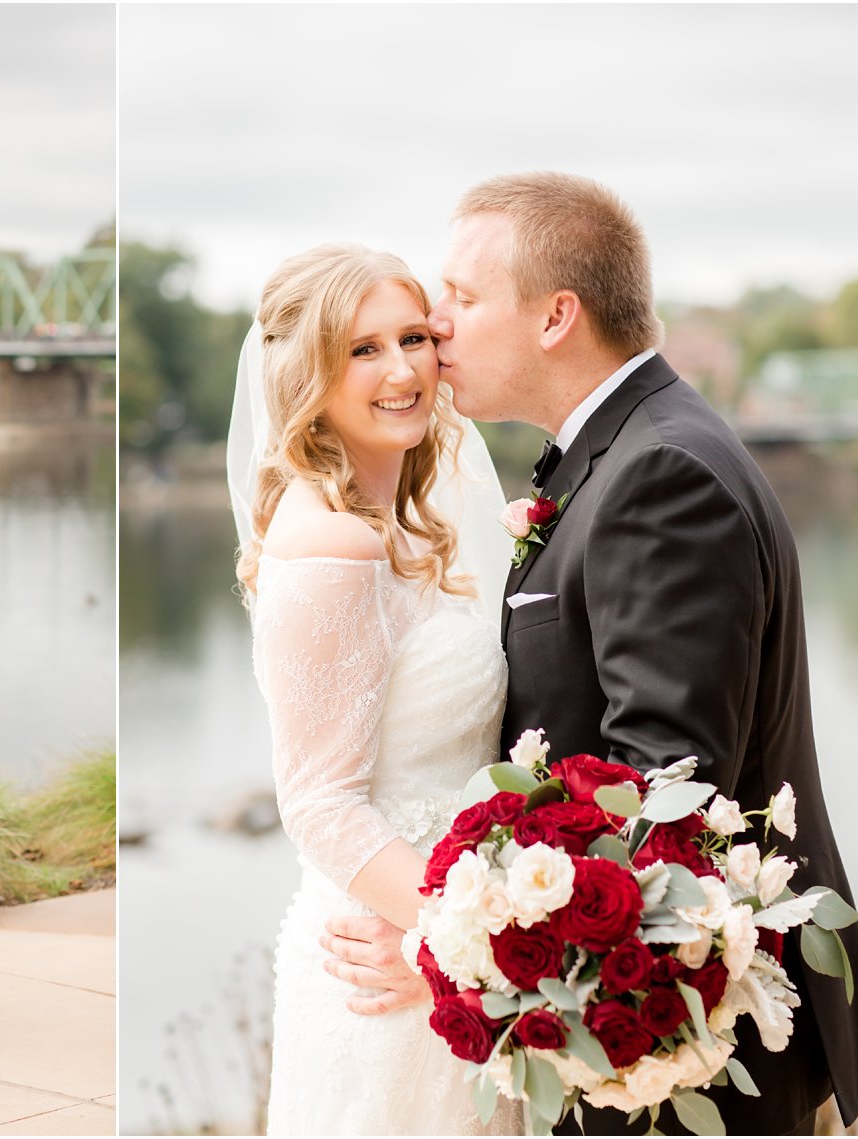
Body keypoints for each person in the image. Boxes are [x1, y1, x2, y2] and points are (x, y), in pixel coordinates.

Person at [323, 173, 858, 1135]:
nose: (435, 322)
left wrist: (453, 951)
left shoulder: (659, 476)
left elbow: (659, 800)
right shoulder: (618, 453)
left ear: (555, 317)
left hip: (688, 1044)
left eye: (462, 295)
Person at [228, 243, 521, 1135]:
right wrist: (466, 950)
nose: (402, 370)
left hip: (439, 943)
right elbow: (319, 802)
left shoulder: (398, 524)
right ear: (305, 374)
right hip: (390, 968)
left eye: (414, 338)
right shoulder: (333, 545)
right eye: (362, 350)